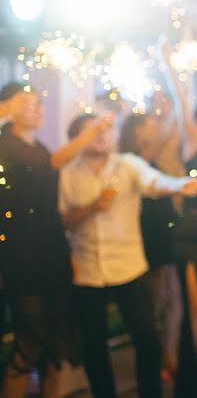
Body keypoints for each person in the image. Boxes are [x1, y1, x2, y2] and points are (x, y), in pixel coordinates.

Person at [59, 113, 197, 398]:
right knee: (94, 348)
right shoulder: (67, 173)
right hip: (87, 272)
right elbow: (63, 220)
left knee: (147, 340)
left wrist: (178, 185)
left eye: (105, 130)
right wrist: (91, 207)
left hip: (129, 268)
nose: (101, 135)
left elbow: (154, 181)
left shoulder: (127, 165)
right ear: (77, 139)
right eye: (92, 131)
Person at [0, 83, 112, 398]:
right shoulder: (6, 144)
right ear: (9, 107)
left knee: (54, 341)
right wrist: (91, 132)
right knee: (30, 338)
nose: (35, 108)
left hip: (51, 250)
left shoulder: (41, 147)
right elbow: (49, 165)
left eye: (38, 103)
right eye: (27, 103)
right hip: (22, 254)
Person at [119, 112, 184, 383]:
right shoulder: (125, 164)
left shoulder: (157, 158)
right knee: (153, 305)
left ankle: (169, 356)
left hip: (164, 239)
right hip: (143, 243)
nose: (156, 127)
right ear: (136, 132)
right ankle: (158, 359)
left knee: (172, 302)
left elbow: (174, 131)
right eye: (149, 125)